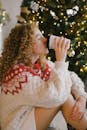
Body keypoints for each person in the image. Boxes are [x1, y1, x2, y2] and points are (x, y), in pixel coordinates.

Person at [0, 22, 87, 130]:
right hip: (17, 126)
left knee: (64, 90)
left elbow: (70, 76)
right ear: (25, 45)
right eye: (38, 37)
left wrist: (81, 98)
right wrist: (60, 60)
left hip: (30, 116)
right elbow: (57, 96)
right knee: (63, 96)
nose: (45, 39)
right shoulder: (19, 76)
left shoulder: (40, 65)